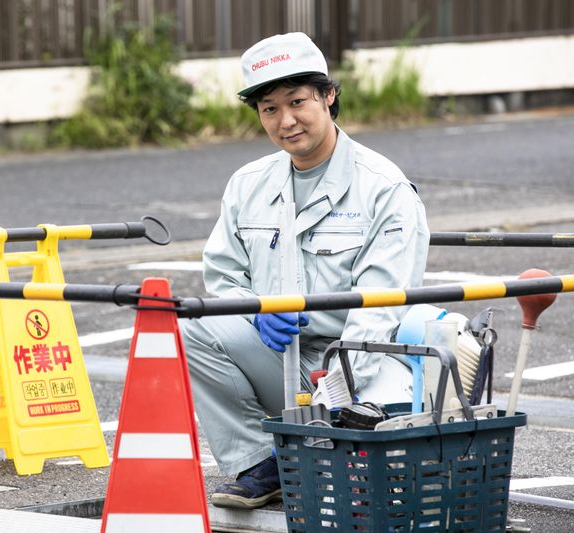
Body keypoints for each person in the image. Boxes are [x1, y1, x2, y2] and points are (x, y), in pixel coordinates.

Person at [180, 32, 430, 510]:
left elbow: (379, 309)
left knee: (363, 481)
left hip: (360, 364)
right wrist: (256, 315)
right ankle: (260, 463)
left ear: (328, 95)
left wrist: (336, 396)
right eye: (269, 108)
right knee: (194, 326)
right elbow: (223, 277)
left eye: (297, 101)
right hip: (283, 357)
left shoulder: (384, 189)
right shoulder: (248, 184)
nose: (286, 120)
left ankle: (329, 442)